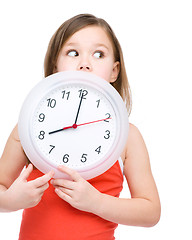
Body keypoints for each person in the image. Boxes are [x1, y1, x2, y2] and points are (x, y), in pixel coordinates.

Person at [0, 14, 161, 239]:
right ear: (56, 66)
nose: (85, 63)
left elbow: (151, 212)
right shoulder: (28, 127)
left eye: (99, 54)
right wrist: (9, 201)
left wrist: (96, 202)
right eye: (73, 53)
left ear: (114, 71)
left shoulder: (128, 136)